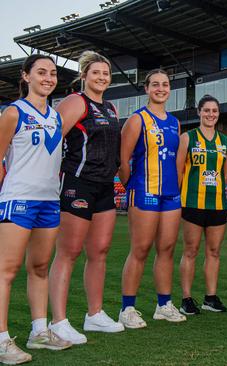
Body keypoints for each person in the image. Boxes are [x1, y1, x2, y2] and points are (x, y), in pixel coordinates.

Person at [0, 55, 72, 365]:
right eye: (41, 72)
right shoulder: (13, 112)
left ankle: (39, 331)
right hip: (19, 199)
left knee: (40, 267)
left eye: (53, 73)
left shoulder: (56, 117)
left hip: (49, 201)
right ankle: (1, 340)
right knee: (7, 270)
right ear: (26, 76)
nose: (48, 77)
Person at [48, 51, 124, 345]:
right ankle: (58, 321)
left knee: (100, 250)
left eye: (106, 74)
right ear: (84, 76)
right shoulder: (75, 102)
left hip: (105, 185)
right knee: (68, 252)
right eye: (96, 73)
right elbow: (54, 141)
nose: (102, 78)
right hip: (78, 183)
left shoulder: (111, 108)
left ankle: (94, 315)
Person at [118, 69, 185, 328]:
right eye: (155, 84)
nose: (160, 88)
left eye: (165, 84)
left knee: (166, 249)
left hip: (170, 194)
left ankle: (164, 305)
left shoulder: (175, 122)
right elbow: (122, 161)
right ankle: (127, 308)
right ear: (146, 89)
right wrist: (131, 186)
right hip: (144, 190)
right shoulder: (137, 120)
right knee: (141, 249)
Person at [176, 95, 227, 315]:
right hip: (192, 202)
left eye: (214, 111)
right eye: (206, 110)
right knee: (190, 251)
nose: (210, 114)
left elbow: (226, 175)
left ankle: (210, 298)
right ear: (199, 112)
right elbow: (179, 170)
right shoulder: (187, 138)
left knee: (214, 251)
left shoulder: (226, 142)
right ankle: (186, 299)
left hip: (218, 203)